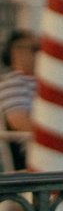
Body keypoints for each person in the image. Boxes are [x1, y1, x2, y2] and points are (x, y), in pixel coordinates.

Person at [0, 30, 35, 170]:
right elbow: (18, 120)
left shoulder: (43, 83)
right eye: (36, 49)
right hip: (37, 150)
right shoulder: (12, 83)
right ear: (17, 52)